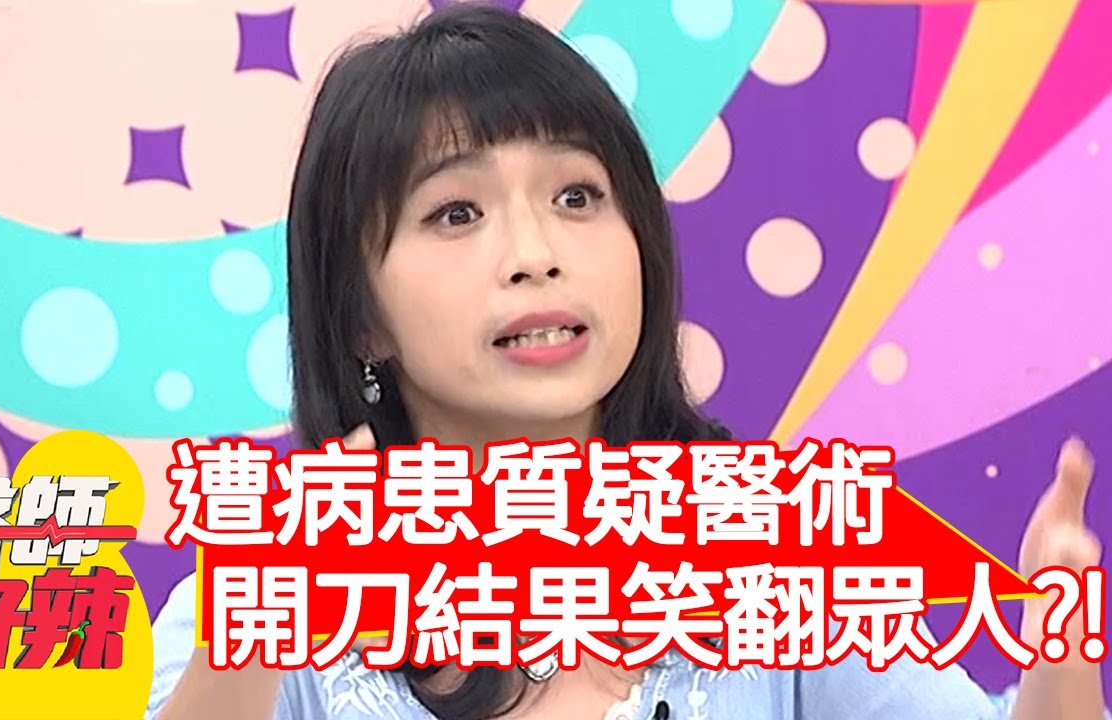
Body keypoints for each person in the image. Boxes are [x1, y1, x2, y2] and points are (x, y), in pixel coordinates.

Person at [146, 5, 1105, 719]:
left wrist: (1059, 650)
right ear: (362, 319)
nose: (536, 254)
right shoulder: (263, 600)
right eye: (457, 212)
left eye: (577, 196)